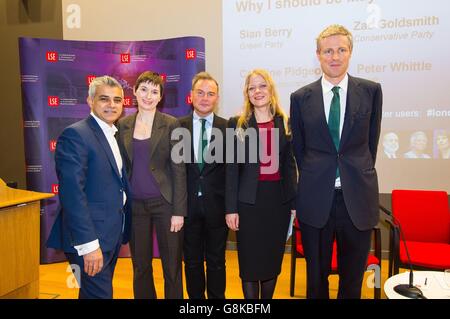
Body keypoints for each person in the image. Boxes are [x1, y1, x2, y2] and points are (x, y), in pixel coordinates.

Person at [290, 24, 383, 299]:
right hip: (315, 198)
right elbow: (300, 150)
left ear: (350, 52)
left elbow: (371, 144)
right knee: (316, 280)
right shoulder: (300, 98)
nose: (335, 56)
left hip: (357, 197)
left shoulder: (371, 91)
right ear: (318, 55)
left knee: (352, 278)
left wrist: (353, 172)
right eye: (328, 51)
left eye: (341, 50)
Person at [47, 75, 130, 299]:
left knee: (92, 294)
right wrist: (88, 245)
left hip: (110, 234)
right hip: (90, 240)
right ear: (90, 101)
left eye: (117, 100)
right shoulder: (76, 135)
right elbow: (73, 195)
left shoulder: (113, 133)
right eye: (104, 99)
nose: (111, 105)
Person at [226, 69, 297, 299]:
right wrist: (231, 209)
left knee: (271, 261)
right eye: (252, 87)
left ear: (271, 89)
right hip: (247, 204)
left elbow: (289, 166)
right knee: (249, 264)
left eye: (262, 86)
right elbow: (231, 170)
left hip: (278, 203)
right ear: (247, 93)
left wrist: (294, 204)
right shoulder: (236, 125)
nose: (257, 91)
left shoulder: (285, 123)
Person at [116, 71, 187, 299]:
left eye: (154, 91)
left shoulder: (172, 124)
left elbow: (179, 170)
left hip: (165, 206)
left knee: (172, 267)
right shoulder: (123, 125)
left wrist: (179, 211)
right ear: (134, 92)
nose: (148, 95)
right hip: (135, 206)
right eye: (144, 89)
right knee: (141, 267)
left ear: (160, 97)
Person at [179, 72, 228, 299]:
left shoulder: (228, 128)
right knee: (192, 261)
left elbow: (232, 173)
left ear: (217, 98)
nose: (205, 98)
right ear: (191, 96)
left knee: (217, 261)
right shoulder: (177, 127)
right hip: (187, 208)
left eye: (210, 94)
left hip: (217, 207)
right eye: (200, 92)